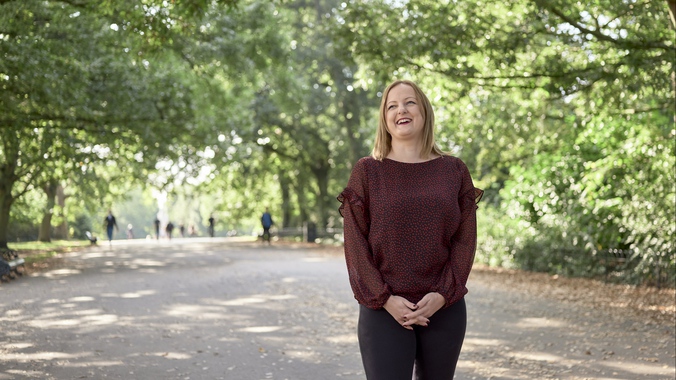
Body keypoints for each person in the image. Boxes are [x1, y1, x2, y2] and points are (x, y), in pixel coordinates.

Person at [337, 80, 483, 380]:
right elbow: (355, 245)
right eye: (392, 105)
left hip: (443, 308)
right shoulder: (367, 171)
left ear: (424, 111)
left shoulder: (454, 170)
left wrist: (442, 295)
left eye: (410, 102)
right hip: (384, 309)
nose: (401, 110)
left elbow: (464, 242)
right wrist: (384, 298)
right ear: (385, 119)